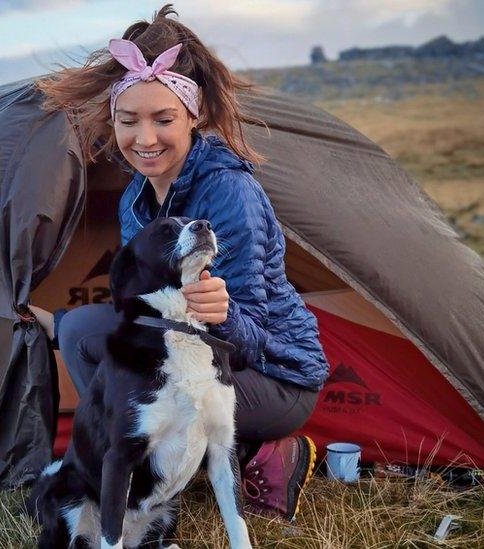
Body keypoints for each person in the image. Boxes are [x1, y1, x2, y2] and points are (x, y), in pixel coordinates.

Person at [28, 4, 329, 521]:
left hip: (272, 375)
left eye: (163, 119)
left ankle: (260, 452)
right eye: (129, 121)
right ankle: (141, 465)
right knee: (80, 330)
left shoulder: (228, 193)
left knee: (166, 374)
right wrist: (55, 323)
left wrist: (221, 313)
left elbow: (247, 341)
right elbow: (142, 313)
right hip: (191, 353)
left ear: (194, 116)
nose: (145, 140)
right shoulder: (136, 202)